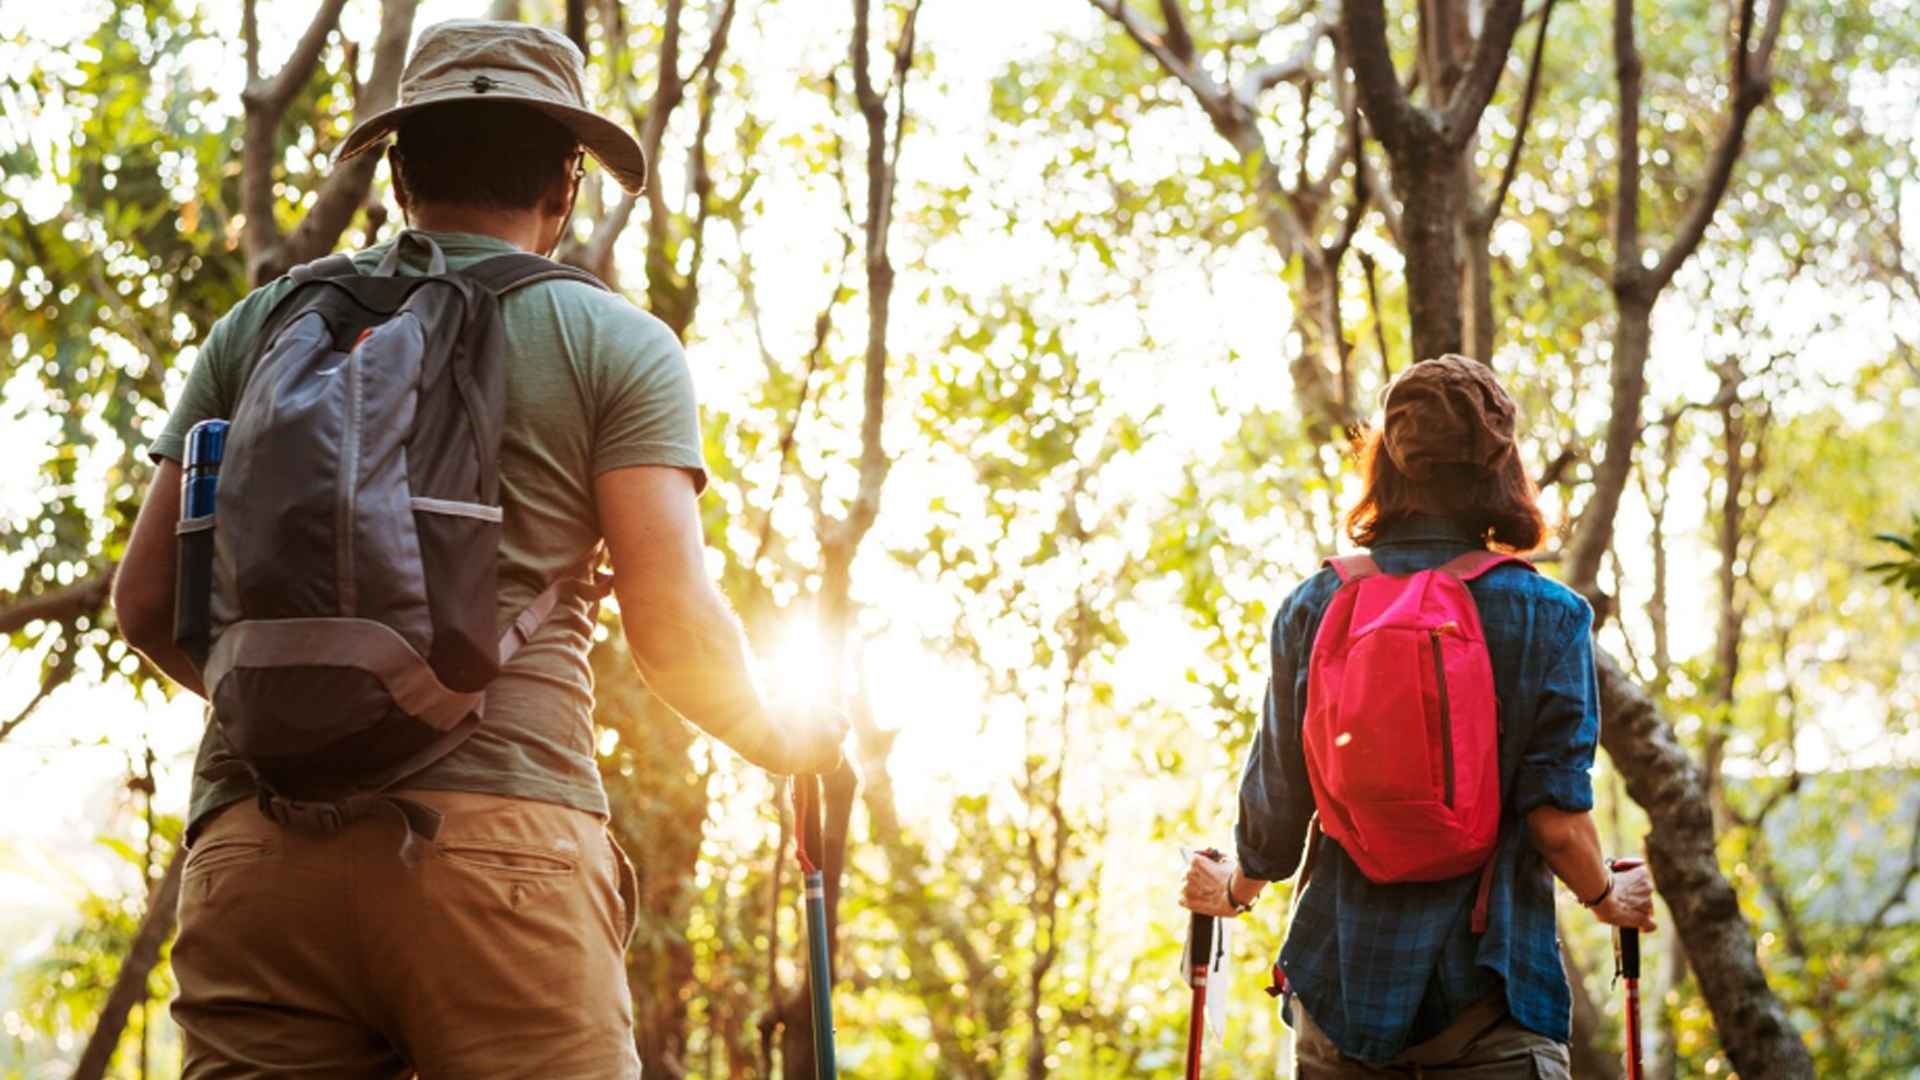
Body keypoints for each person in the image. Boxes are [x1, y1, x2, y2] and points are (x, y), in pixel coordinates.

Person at [111, 20, 845, 1080]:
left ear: (399, 172)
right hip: (504, 856)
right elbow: (675, 633)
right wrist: (793, 744)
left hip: (258, 851)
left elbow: (144, 605)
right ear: (568, 181)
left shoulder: (261, 325)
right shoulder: (616, 343)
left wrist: (315, 711)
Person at [1180, 355, 1657, 1078]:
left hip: (1339, 998)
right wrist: (1607, 895)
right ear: (1501, 470)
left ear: (1386, 462)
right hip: (1491, 1004)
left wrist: (1233, 892)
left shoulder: (1314, 606)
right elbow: (1556, 824)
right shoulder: (1552, 617)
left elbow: (1276, 816)